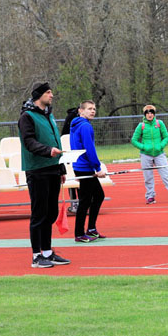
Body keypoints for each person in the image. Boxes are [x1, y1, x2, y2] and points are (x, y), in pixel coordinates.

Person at [19, 82, 70, 268]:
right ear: (38, 95)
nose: (52, 95)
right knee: (39, 214)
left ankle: (47, 252)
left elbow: (55, 140)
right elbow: (29, 142)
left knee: (50, 213)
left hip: (53, 169)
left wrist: (61, 168)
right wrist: (48, 151)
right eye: (48, 92)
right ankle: (36, 256)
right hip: (37, 170)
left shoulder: (48, 114)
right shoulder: (27, 116)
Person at [69, 100, 107, 243]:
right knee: (85, 200)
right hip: (84, 167)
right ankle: (79, 233)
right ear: (81, 111)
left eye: (94, 108)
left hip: (80, 166)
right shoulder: (85, 126)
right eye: (89, 109)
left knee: (98, 195)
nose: (93, 111)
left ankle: (91, 229)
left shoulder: (77, 124)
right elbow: (89, 149)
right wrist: (97, 168)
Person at [131, 105, 168, 205]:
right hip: (145, 155)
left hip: (159, 154)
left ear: (154, 113)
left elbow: (166, 137)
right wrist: (144, 147)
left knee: (166, 175)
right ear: (144, 114)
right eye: (147, 113)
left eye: (151, 112)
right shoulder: (141, 126)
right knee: (148, 177)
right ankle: (150, 196)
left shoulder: (159, 123)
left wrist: (161, 146)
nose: (150, 114)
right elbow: (134, 140)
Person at [61, 105, 80, 215]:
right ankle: (74, 203)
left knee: (80, 176)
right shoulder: (72, 117)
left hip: (78, 152)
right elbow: (65, 135)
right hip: (69, 151)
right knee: (72, 177)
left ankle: (80, 202)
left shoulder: (83, 120)